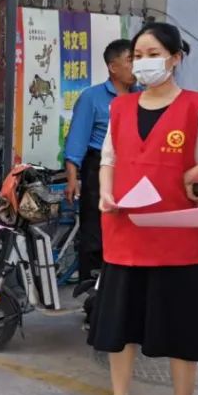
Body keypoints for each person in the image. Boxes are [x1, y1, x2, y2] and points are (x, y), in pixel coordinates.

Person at [88, 22, 198, 395]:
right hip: (126, 230)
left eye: (153, 53)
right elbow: (110, 158)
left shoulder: (197, 106)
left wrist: (195, 172)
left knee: (179, 330)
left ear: (175, 58)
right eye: (138, 55)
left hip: (175, 236)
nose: (143, 62)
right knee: (119, 326)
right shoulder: (122, 107)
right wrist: (104, 192)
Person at [63, 38, 136, 283]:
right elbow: (77, 141)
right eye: (130, 60)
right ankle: (91, 299)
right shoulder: (92, 97)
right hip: (97, 170)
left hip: (132, 169)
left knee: (128, 231)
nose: (135, 65)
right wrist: (73, 178)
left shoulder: (142, 96)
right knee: (95, 232)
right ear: (113, 67)